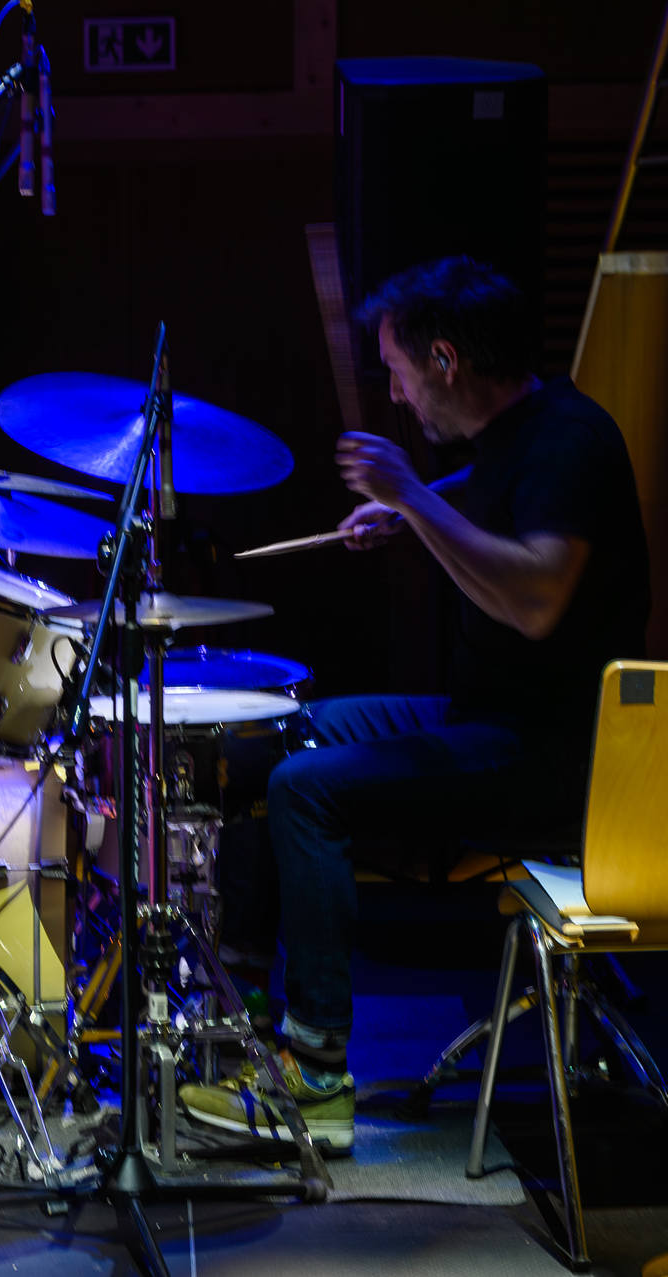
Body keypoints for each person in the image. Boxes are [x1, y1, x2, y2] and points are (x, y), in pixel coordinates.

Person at [182, 256, 651, 1152]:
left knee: (307, 790)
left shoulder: (572, 439)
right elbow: (490, 493)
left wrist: (408, 498)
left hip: (555, 756)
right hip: (486, 719)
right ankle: (242, 1014)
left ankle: (317, 1076)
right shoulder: (520, 433)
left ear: (445, 359)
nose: (396, 394)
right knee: (274, 734)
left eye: (398, 371)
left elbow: (536, 600)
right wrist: (412, 511)